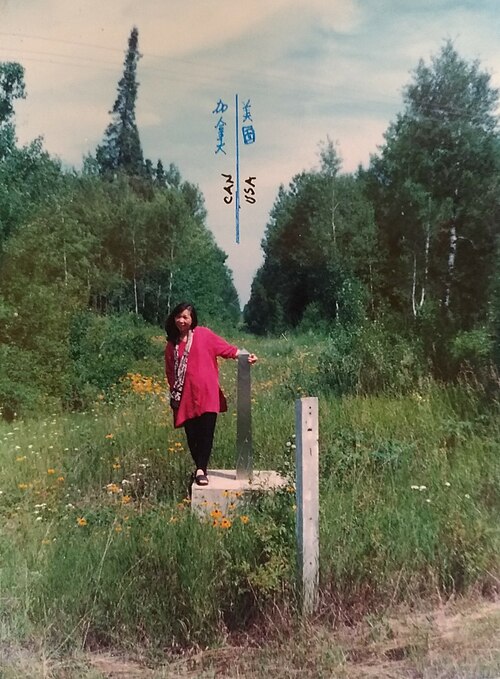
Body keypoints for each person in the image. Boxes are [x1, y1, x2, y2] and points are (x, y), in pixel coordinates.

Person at [164, 302, 257, 486]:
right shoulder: (171, 344)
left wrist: (244, 356)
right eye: (178, 316)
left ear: (192, 319)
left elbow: (225, 348)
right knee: (192, 435)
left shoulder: (204, 334)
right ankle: (199, 466)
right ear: (174, 318)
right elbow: (170, 371)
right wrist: (175, 390)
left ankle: (201, 470)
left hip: (208, 393)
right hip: (185, 397)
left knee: (207, 433)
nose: (181, 320)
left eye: (185, 317)